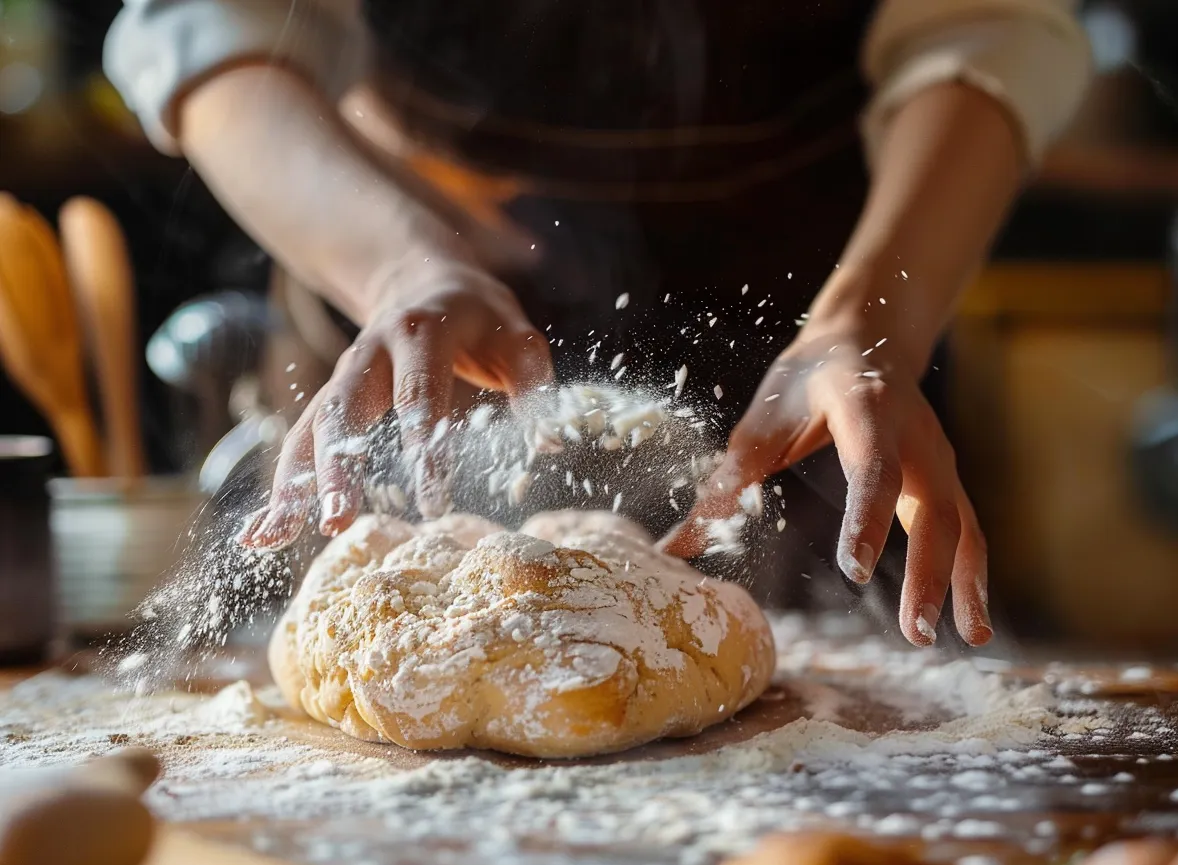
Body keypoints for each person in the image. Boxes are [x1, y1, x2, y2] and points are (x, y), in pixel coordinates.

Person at [104, 0, 1091, 648]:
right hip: (410, 343)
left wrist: (870, 320)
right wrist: (401, 265)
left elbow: (982, 28)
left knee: (858, 698)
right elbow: (213, 27)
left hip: (809, 381)